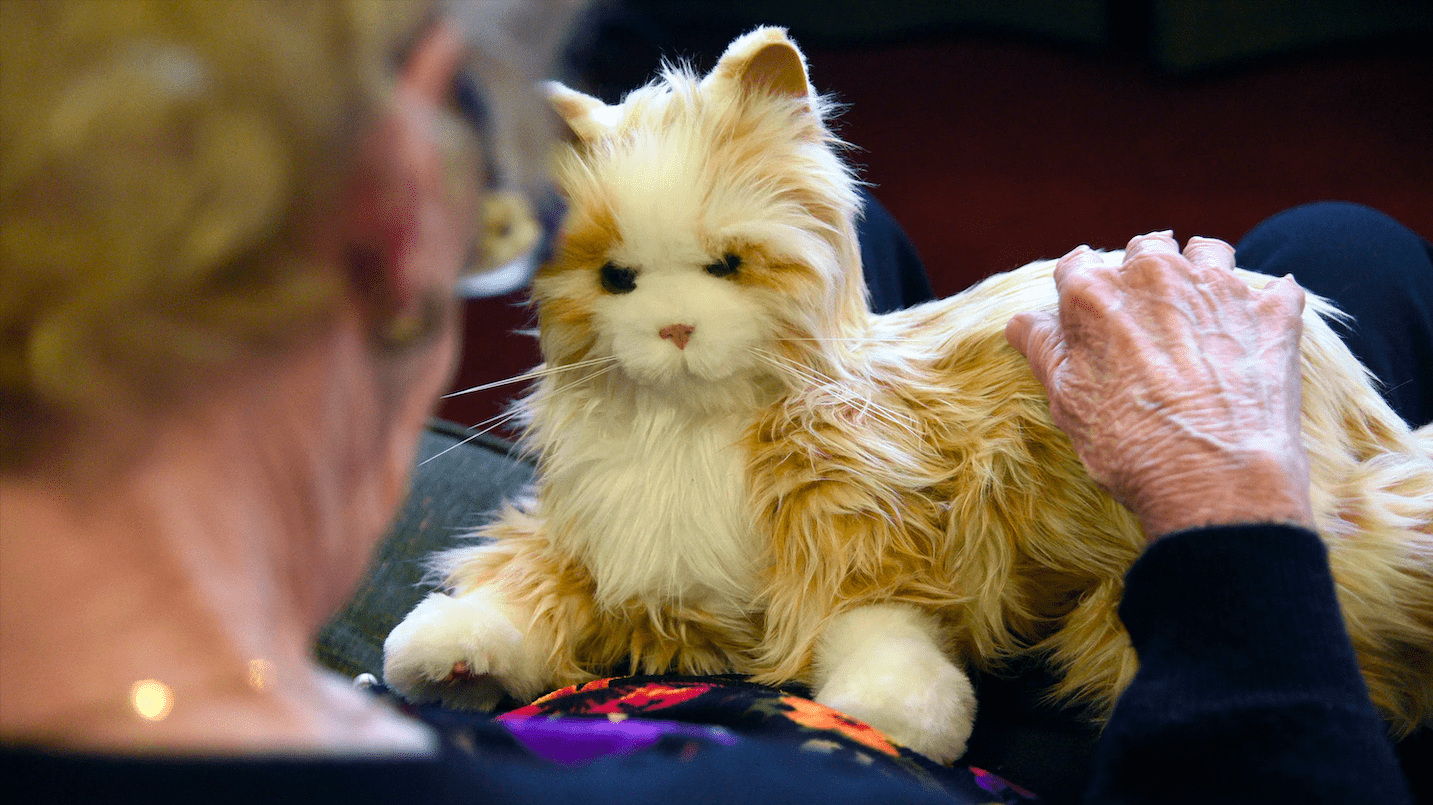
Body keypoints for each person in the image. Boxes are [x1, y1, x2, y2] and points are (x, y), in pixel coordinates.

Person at [1, 1, 1425, 802]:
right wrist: (1227, 513)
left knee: (820, 277)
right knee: (1341, 253)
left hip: (676, 639)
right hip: (997, 718)